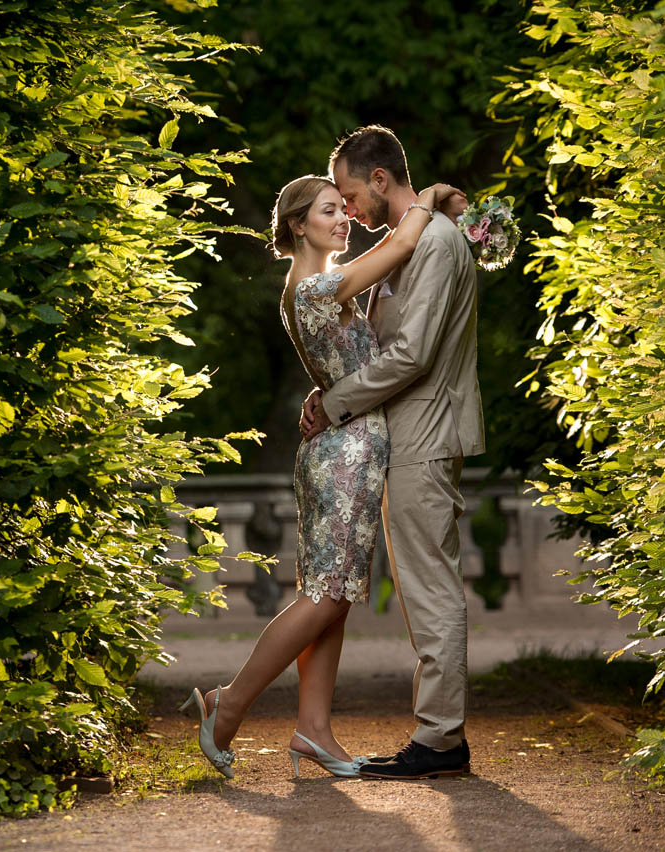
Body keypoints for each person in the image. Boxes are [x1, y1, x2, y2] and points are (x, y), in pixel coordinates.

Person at [182, 172, 466, 779]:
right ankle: (226, 704)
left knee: (332, 600)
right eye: (329, 211)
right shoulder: (314, 288)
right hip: (343, 454)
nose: (343, 220)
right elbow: (397, 246)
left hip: (346, 449)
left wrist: (327, 390)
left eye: (343, 209)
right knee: (323, 598)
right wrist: (432, 196)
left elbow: (347, 354)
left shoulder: (315, 287)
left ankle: (313, 730)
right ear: (297, 225)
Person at [301, 125, 485, 780]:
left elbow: (412, 355)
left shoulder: (433, 243)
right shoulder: (408, 242)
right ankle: (440, 736)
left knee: (432, 588)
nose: (348, 209)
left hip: (428, 435)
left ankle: (440, 741)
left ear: (380, 180)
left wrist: (337, 401)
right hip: (410, 435)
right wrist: (333, 391)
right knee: (423, 586)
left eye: (350, 195)